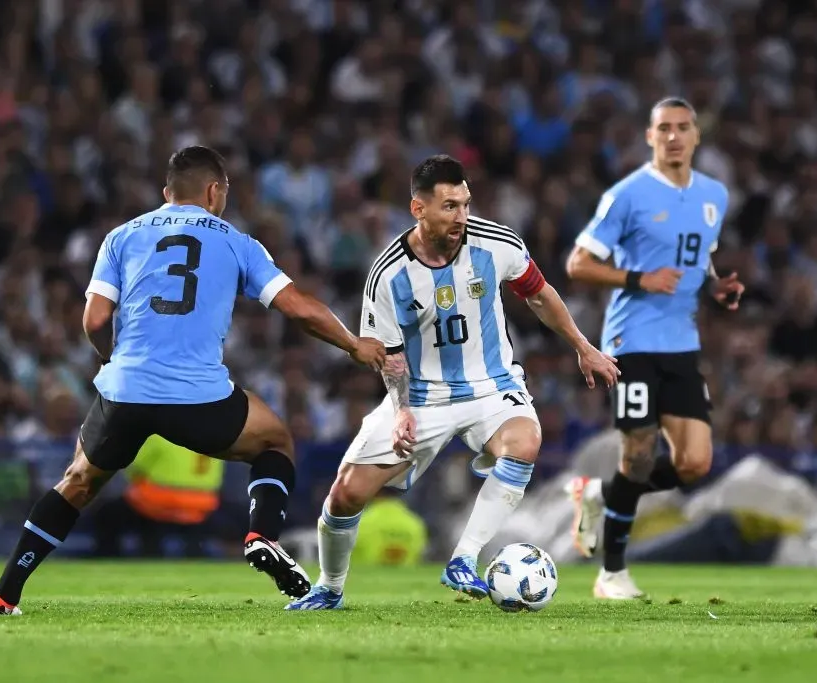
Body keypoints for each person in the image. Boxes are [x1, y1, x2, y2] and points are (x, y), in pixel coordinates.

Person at [0, 146, 385, 616]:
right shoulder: (237, 242)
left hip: (127, 389)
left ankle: (3, 593)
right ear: (215, 191)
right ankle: (261, 534)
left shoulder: (121, 236)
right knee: (275, 440)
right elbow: (299, 308)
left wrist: (115, 360)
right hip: (199, 396)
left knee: (78, 481)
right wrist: (355, 345)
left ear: (167, 193)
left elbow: (94, 319)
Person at [286, 154, 619, 610]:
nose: (461, 216)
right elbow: (390, 353)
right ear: (418, 209)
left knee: (525, 441)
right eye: (448, 207)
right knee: (346, 495)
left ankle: (463, 558)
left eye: (464, 204)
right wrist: (401, 410)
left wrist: (584, 347)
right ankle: (329, 585)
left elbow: (539, 295)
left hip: (491, 384)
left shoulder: (497, 243)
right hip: (421, 395)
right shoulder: (389, 274)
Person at [564, 98, 745, 599]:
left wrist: (713, 287)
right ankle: (612, 573)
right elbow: (578, 263)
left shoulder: (714, 195)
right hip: (632, 341)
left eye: (683, 127)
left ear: (696, 136)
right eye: (663, 128)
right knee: (639, 454)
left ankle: (599, 495)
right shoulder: (627, 195)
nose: (673, 136)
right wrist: (639, 277)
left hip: (682, 344)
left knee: (695, 464)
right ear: (649, 137)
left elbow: (698, 256)